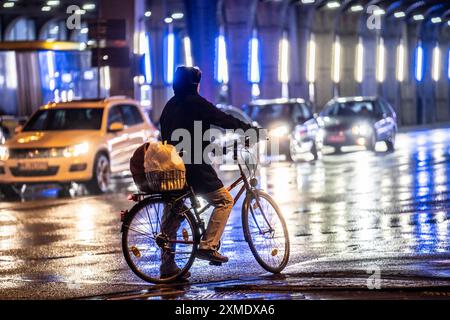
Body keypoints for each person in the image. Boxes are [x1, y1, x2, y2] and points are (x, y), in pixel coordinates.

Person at [159, 66, 254, 278]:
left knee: (173, 213)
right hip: (194, 166)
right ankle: (208, 246)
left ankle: (167, 267)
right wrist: (249, 130)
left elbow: (166, 135)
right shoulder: (194, 103)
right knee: (224, 201)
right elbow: (222, 118)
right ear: (194, 84)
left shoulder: (170, 105)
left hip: (172, 168)